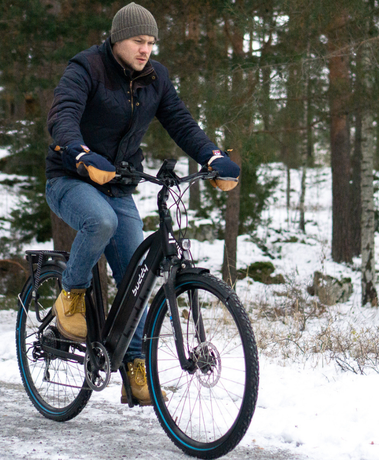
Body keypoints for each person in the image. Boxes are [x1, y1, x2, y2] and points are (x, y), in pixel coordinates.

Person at [45, 2, 240, 406]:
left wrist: (212, 156)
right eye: (138, 40)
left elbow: (180, 121)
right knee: (100, 222)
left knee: (139, 276)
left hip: (120, 186)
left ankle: (134, 370)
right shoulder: (86, 69)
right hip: (71, 179)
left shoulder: (156, 78)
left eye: (151, 42)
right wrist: (80, 153)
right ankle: (71, 295)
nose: (145, 49)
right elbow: (62, 116)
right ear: (117, 38)